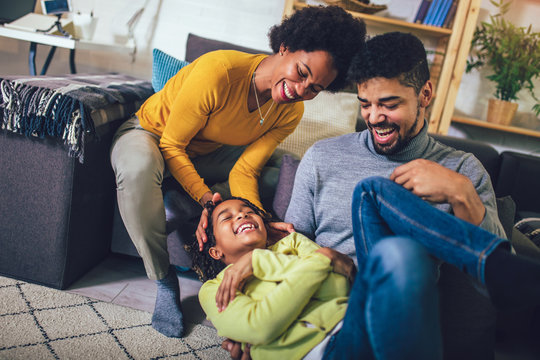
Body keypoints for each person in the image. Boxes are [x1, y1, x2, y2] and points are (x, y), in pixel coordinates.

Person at [213, 32, 540, 357]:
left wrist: (462, 193)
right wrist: (255, 329)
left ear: (425, 94)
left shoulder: (463, 170)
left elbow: (484, 292)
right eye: (365, 105)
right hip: (338, 315)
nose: (373, 118)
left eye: (389, 104)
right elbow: (291, 249)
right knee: (374, 194)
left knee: (402, 254)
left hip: (404, 313)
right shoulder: (323, 157)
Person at [110, 5, 367, 338]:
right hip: (152, 135)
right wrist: (207, 200)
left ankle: (180, 200)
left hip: (206, 154)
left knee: (276, 174)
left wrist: (258, 216)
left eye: (315, 88)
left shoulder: (289, 112)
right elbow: (172, 145)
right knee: (139, 168)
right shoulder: (219, 72)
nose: (301, 90)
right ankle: (163, 280)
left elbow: (245, 169)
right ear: (285, 47)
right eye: (302, 72)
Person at [195, 195, 540, 359]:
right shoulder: (212, 290)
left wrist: (269, 260)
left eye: (248, 210)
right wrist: (323, 259)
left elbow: (340, 285)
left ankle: (498, 270)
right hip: (330, 351)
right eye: (227, 217)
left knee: (396, 242)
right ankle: (498, 269)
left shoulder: (290, 244)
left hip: (363, 320)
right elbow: (260, 326)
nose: (242, 216)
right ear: (215, 251)